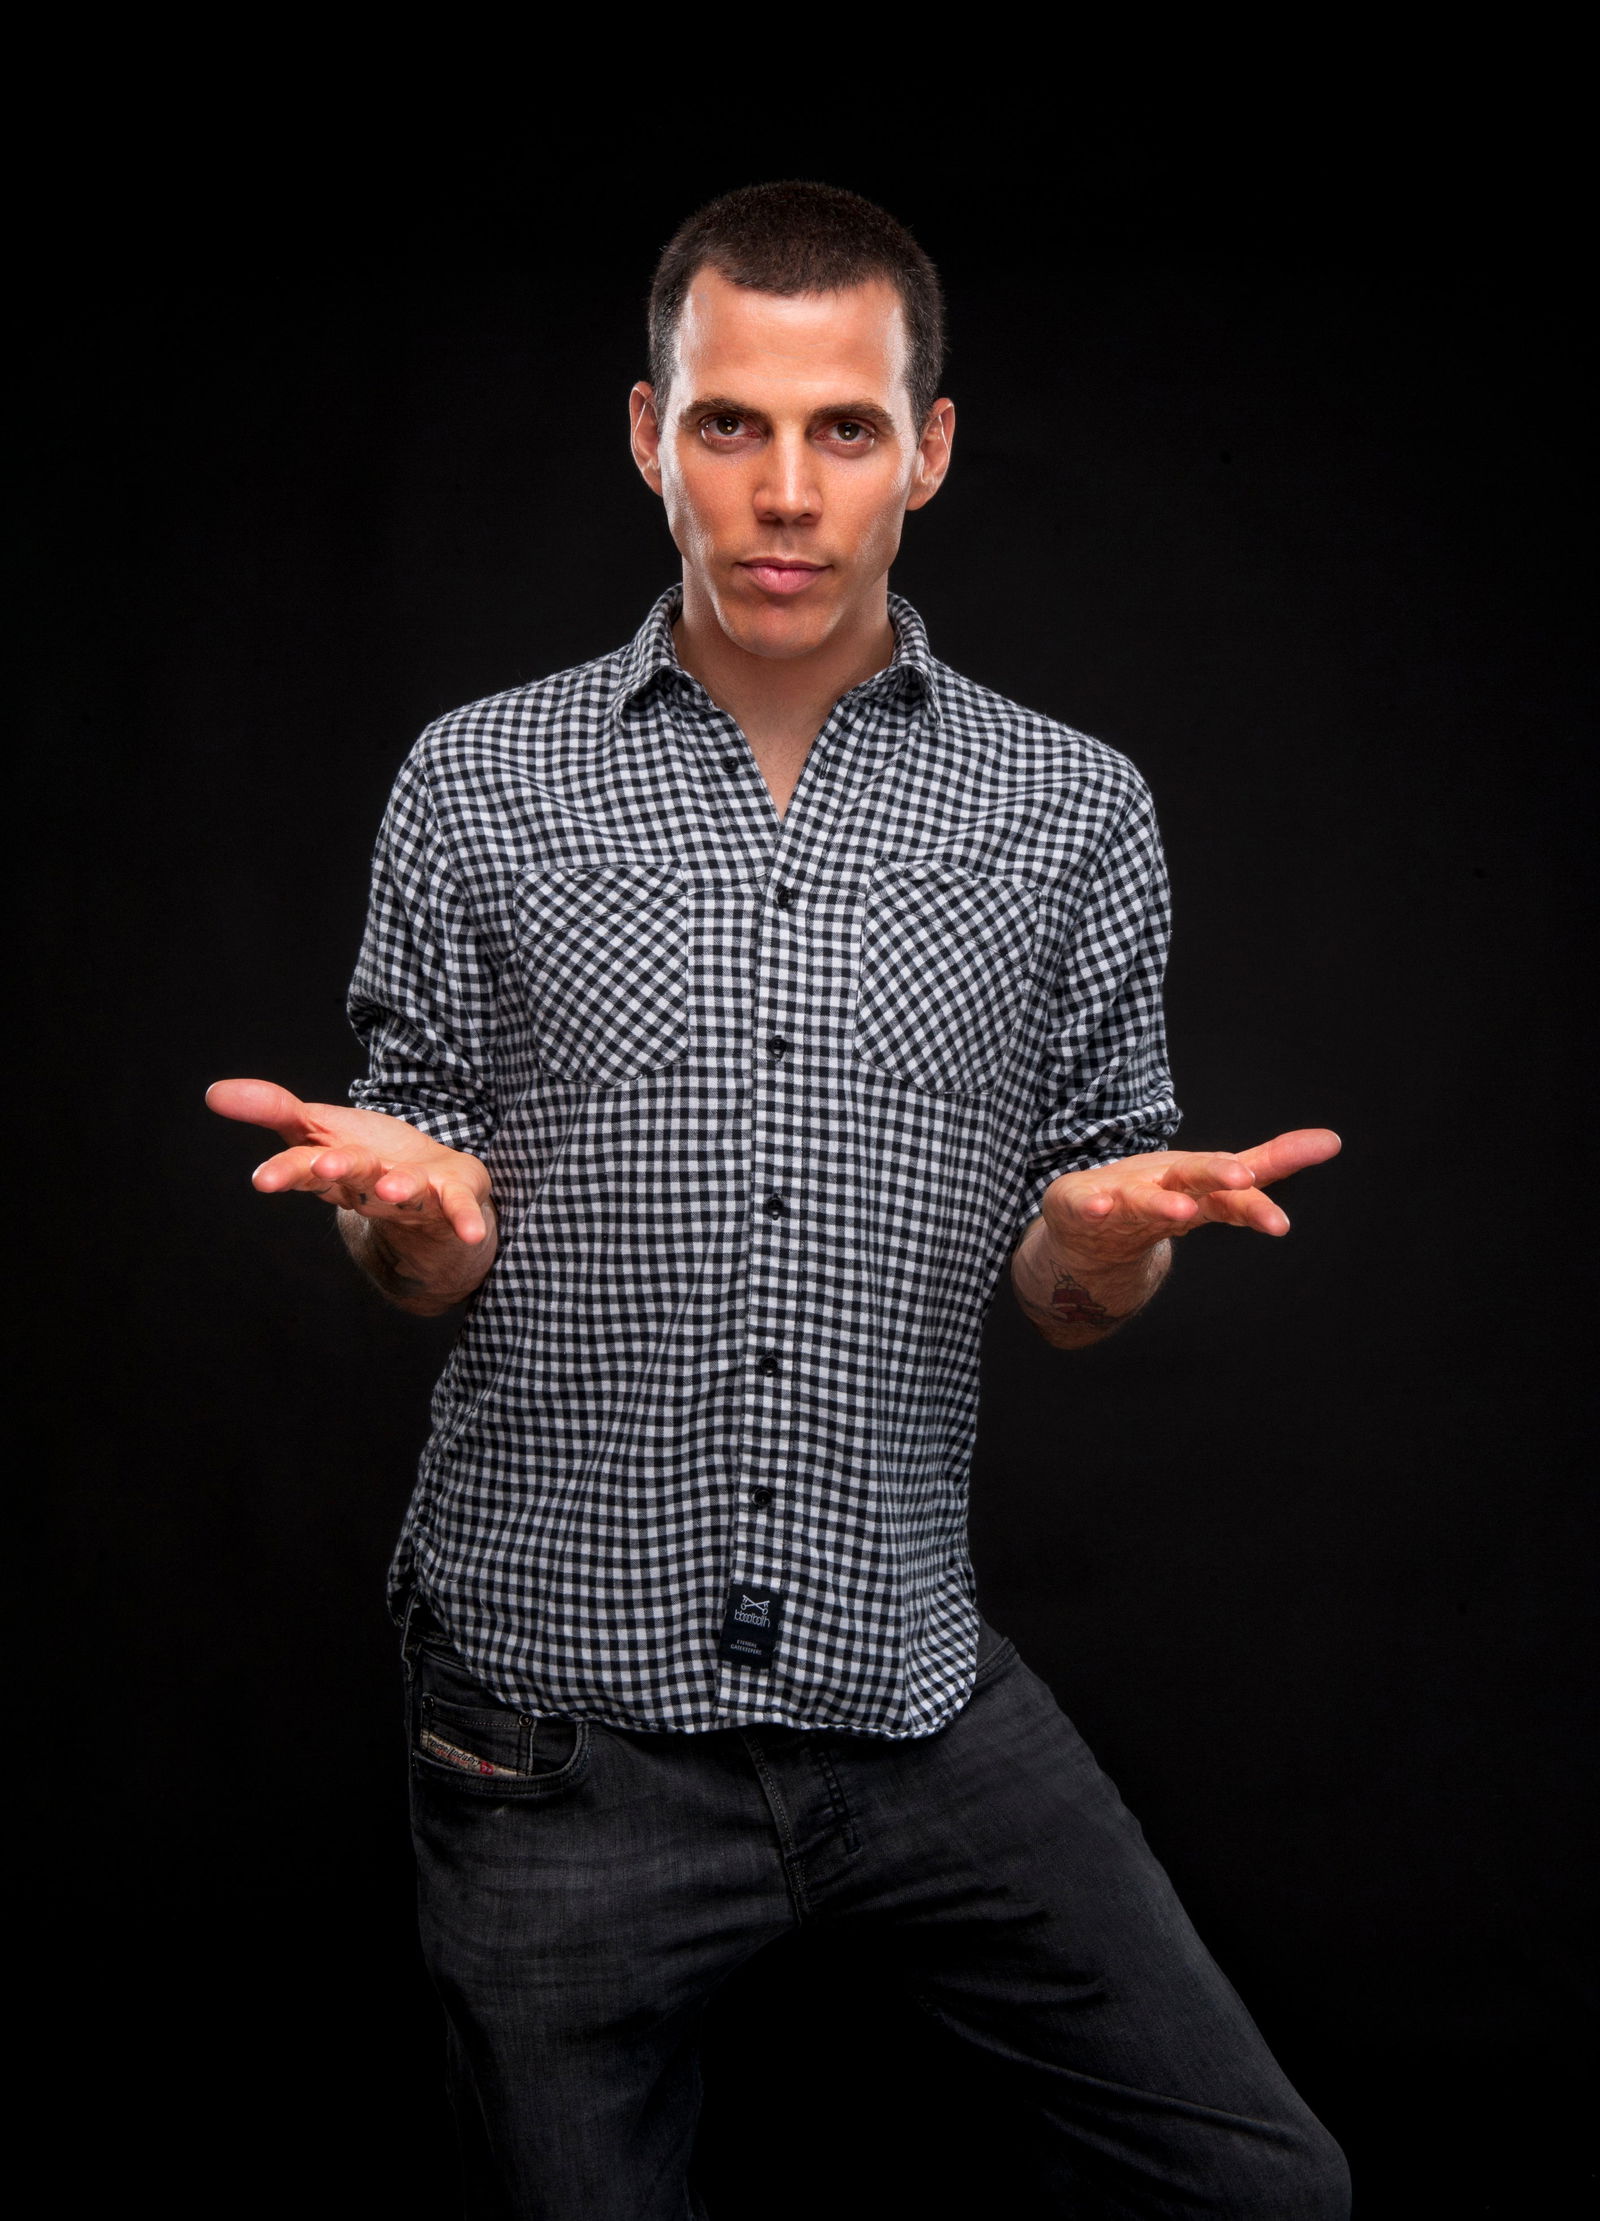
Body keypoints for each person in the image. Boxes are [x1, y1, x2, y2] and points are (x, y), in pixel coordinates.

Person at [208, 181, 1351, 2218]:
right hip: (549, 1728)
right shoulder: (476, 780)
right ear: (650, 435)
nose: (786, 492)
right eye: (730, 423)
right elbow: (410, 1231)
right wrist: (416, 1228)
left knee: (1262, 2188)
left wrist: (1091, 1254)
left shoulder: (1072, 811)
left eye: (844, 428)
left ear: (928, 448)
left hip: (909, 1682)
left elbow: (1075, 1273)